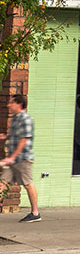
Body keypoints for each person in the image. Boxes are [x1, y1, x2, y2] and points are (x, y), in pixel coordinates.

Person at [0, 94, 40, 222]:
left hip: (22, 159)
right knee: (2, 183)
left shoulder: (26, 119)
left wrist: (12, 157)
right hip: (13, 161)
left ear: (19, 104)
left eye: (11, 103)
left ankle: (35, 213)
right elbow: (15, 136)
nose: (9, 105)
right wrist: (5, 137)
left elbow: (23, 140)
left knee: (28, 184)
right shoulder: (15, 119)